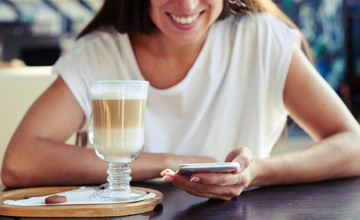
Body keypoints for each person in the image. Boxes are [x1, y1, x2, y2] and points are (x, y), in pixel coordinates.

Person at [2, 0, 360, 201]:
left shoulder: (259, 40)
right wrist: (169, 162)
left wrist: (257, 172)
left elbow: (353, 144)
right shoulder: (101, 53)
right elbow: (19, 162)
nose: (187, 5)